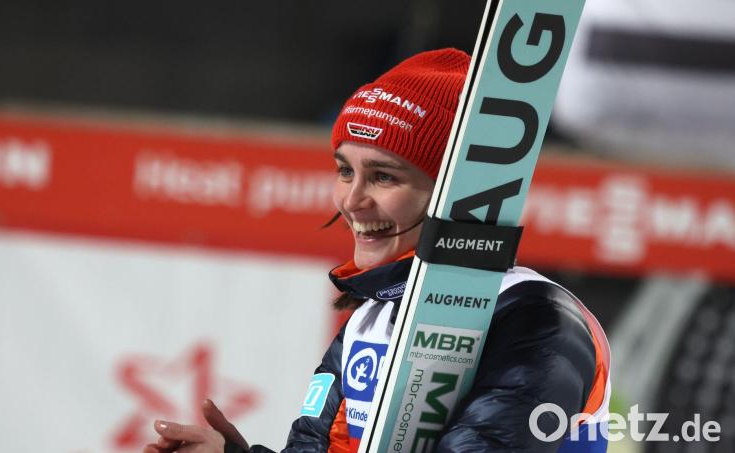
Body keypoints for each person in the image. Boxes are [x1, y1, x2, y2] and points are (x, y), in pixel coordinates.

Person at [143, 48, 611, 453]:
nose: (351, 200)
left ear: (454, 191)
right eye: (345, 171)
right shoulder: (371, 316)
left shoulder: (535, 316)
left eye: (384, 176)